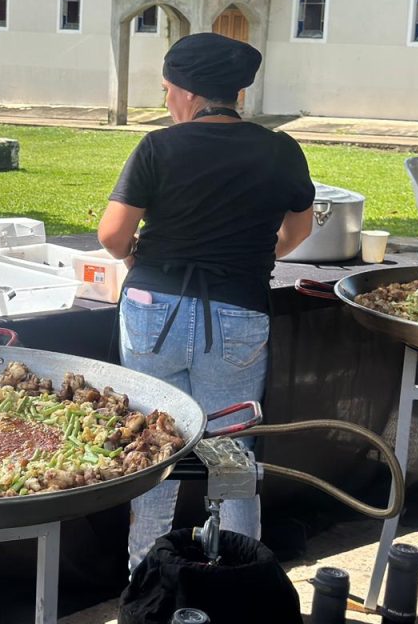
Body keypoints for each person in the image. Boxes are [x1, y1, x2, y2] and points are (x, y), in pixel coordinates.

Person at [97, 32, 315, 573]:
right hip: (237, 313)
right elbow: (301, 225)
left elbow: (112, 234)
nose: (167, 101)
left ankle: (146, 580)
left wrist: (132, 260)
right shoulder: (280, 148)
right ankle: (241, 581)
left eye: (169, 89)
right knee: (232, 454)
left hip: (154, 310)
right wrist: (257, 256)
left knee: (153, 446)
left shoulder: (158, 146)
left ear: (190, 93)